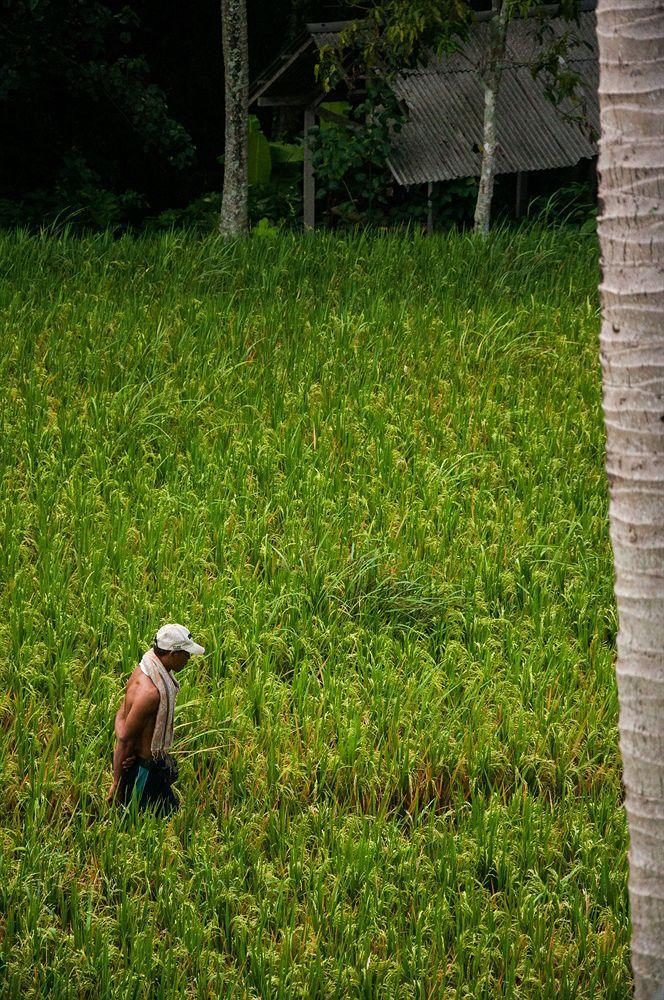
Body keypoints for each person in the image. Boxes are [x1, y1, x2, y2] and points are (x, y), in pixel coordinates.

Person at [108, 623, 205, 816]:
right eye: (186, 654)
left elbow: (123, 710)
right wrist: (116, 785)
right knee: (137, 824)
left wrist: (125, 731)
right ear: (171, 654)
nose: (188, 659)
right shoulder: (150, 692)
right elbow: (125, 739)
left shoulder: (147, 667)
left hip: (150, 764)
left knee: (170, 817)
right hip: (143, 772)